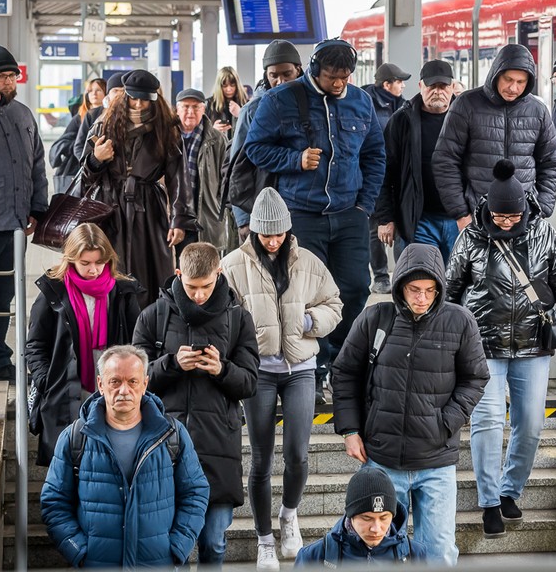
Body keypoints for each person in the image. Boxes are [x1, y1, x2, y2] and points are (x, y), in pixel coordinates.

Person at [444, 159, 556, 539]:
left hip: (533, 344)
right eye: (499, 216)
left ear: (524, 209)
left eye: (512, 216)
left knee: (531, 424)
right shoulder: (471, 238)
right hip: (482, 346)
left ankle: (511, 490)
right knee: (488, 422)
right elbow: (450, 290)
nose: (506, 222)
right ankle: (489, 502)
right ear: (488, 210)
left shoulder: (543, 233)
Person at [245, 39, 385, 402]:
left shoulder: (361, 101)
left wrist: (364, 206)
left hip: (350, 213)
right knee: (304, 295)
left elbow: (374, 155)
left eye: (345, 77)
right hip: (301, 215)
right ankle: (313, 366)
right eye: (331, 77)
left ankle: (342, 365)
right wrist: (295, 159)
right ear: (313, 70)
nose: (339, 84)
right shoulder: (280, 100)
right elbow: (255, 148)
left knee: (355, 288)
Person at [331, 244, 489, 565]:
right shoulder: (375, 317)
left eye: (430, 291)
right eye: (414, 289)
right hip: (382, 459)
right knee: (379, 550)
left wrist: (445, 422)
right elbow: (345, 371)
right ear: (400, 285)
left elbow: (476, 378)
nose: (422, 298)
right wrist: (349, 429)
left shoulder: (460, 321)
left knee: (439, 553)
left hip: (437, 461)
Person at [221, 187, 344, 569]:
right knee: (260, 459)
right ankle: (263, 540)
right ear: (254, 231)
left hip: (300, 369)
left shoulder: (307, 261)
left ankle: (289, 516)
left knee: (297, 452)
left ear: (288, 230)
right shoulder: (232, 266)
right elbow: (223, 316)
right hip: (258, 372)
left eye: (278, 233)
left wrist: (309, 321)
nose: (272, 240)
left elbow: (334, 304)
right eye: (265, 234)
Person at [133, 242, 260, 568]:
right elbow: (132, 381)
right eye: (192, 287)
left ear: (219, 274)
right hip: (164, 447)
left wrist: (222, 370)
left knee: (215, 544)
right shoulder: (153, 316)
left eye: (206, 286)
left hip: (219, 444)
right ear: (178, 275)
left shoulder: (239, 318)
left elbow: (249, 383)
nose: (200, 294)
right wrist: (172, 364)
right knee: (172, 549)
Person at [39, 345, 209, 569]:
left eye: (132, 381)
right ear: (100, 384)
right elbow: (54, 501)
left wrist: (178, 546)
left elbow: (196, 493)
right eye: (115, 381)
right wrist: (78, 550)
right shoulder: (75, 438)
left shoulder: (172, 435)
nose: (124, 390)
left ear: (145, 384)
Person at [25, 224, 143, 467]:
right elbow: (35, 344)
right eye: (85, 263)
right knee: (66, 467)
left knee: (110, 466)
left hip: (112, 388)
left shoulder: (123, 291)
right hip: (64, 389)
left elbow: (137, 342)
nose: (94, 270)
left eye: (99, 262)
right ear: (71, 260)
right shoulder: (53, 290)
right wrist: (47, 381)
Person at [82, 69, 197, 307]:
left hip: (149, 208)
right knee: (110, 270)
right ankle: (112, 332)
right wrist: (96, 158)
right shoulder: (104, 124)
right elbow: (84, 176)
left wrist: (180, 220)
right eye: (133, 97)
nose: (138, 103)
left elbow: (179, 177)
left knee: (152, 271)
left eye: (144, 98)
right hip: (109, 207)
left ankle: (149, 329)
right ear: (124, 96)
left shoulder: (166, 128)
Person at [435, 43, 556, 232]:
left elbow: (551, 161)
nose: (513, 87)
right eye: (508, 79)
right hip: (477, 218)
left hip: (524, 219)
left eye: (521, 82)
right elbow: (445, 161)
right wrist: (461, 214)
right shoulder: (466, 105)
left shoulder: (538, 110)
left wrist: (542, 208)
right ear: (496, 74)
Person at [0, 44, 49, 381]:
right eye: (1, 77)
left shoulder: (23, 114)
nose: (8, 82)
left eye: (12, 76)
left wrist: (39, 206)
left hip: (16, 222)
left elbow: (38, 163)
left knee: (3, 292)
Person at [375, 59, 459, 263]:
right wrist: (386, 218)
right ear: (421, 86)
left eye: (443, 86)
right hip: (418, 219)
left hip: (459, 219)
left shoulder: (465, 117)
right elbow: (385, 171)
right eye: (432, 86)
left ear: (452, 87)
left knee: (459, 287)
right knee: (420, 280)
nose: (437, 91)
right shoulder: (402, 120)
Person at [226, 40, 304, 240]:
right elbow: (237, 165)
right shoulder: (252, 110)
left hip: (302, 206)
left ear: (298, 70)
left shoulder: (312, 104)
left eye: (287, 74)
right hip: (263, 208)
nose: (280, 81)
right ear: (266, 76)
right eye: (274, 76)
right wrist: (243, 219)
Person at [295, 467, 424, 566]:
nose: (376, 528)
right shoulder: (313, 557)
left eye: (384, 518)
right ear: (351, 516)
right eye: (367, 518)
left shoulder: (416, 555)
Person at [362, 62, 412, 294]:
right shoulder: (367, 106)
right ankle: (381, 276)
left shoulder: (403, 106)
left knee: (399, 226)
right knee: (376, 228)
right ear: (386, 84)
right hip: (372, 176)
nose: (402, 85)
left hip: (396, 174)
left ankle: (400, 274)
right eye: (399, 81)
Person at [175, 88, 232, 254]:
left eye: (196, 107)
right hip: (175, 219)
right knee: (175, 271)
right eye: (185, 107)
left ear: (203, 109)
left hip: (206, 218)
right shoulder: (166, 137)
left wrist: (218, 206)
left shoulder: (218, 139)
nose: (190, 112)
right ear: (177, 109)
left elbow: (226, 180)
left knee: (205, 270)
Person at [51, 78, 108, 193]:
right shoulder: (80, 117)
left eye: (98, 90)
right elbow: (75, 144)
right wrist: (86, 164)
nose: (94, 94)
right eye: (90, 91)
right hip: (79, 168)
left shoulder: (110, 115)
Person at [74, 72, 125, 167]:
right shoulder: (93, 115)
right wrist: (88, 164)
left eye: (123, 91)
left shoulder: (135, 116)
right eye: (115, 91)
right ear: (108, 94)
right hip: (98, 173)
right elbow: (79, 146)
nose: (119, 94)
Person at [207, 66, 249, 141]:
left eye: (232, 85)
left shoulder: (246, 103)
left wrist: (240, 114)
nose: (229, 89)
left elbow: (254, 130)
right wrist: (213, 130)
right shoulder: (209, 104)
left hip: (239, 149)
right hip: (218, 149)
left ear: (237, 85)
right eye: (225, 86)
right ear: (219, 86)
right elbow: (201, 133)